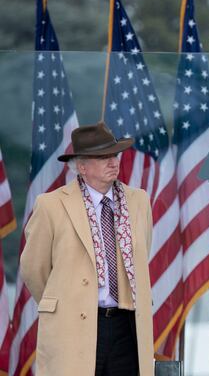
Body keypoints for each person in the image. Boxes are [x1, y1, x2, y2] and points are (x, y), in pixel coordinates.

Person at [20, 122, 154, 376]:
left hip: (127, 325)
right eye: (103, 157)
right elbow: (33, 269)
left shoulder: (139, 200)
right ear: (81, 167)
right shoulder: (50, 205)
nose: (113, 162)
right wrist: (65, 300)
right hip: (72, 325)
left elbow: (142, 252)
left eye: (114, 155)